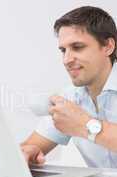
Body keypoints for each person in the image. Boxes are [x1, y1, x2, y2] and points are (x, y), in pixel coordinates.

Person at [21, 6, 117, 168]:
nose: (66, 59)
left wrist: (86, 125)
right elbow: (29, 147)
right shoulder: (70, 97)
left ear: (108, 46)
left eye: (77, 47)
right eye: (63, 50)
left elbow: (81, 123)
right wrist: (28, 151)